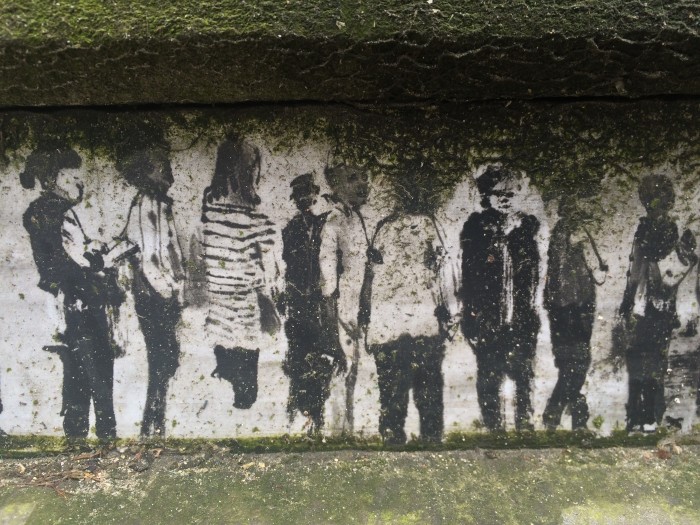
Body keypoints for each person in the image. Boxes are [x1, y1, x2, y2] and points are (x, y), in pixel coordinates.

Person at [21, 146, 124, 440]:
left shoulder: (42, 212)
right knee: (98, 367)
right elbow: (74, 259)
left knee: (77, 369)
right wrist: (102, 261)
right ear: (52, 179)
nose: (80, 182)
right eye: (72, 176)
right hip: (79, 298)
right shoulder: (57, 213)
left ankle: (76, 433)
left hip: (65, 300)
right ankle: (106, 433)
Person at [364, 198, 454, 444]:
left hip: (419, 322)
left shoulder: (426, 225)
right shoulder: (386, 228)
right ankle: (401, 436)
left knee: (424, 388)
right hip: (391, 325)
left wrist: (447, 312)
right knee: (398, 388)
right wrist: (369, 320)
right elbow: (371, 276)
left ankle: (427, 437)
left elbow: (443, 270)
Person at [201, 136, 280, 410]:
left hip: (221, 300)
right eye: (249, 167)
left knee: (230, 358)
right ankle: (242, 400)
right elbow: (260, 265)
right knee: (245, 365)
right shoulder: (252, 217)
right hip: (242, 301)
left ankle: (236, 396)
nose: (252, 173)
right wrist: (265, 294)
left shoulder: (210, 210)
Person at [460, 165, 540, 432]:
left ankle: (524, 423)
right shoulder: (477, 228)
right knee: (489, 371)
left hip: (520, 313)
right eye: (498, 194)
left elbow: (535, 273)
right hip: (489, 314)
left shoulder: (526, 229)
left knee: (523, 370)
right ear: (487, 196)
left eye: (510, 194)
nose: (505, 199)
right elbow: (469, 274)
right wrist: (470, 313)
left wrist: (532, 308)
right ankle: (493, 425)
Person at [618, 174, 697, 432]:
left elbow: (655, 270)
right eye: (650, 199)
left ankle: (649, 416)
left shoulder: (663, 229)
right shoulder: (651, 228)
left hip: (654, 304)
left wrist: (630, 300)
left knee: (650, 361)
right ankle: (641, 417)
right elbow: (638, 269)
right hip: (648, 304)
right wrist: (627, 300)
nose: (653, 204)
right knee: (644, 360)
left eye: (656, 199)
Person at [117, 148, 185, 437]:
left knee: (165, 360)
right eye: (162, 167)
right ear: (147, 172)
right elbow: (147, 256)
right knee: (161, 359)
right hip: (154, 294)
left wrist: (178, 283)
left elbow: (172, 251)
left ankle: (155, 420)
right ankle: (152, 422)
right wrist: (169, 289)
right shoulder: (146, 204)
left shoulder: (159, 205)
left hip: (163, 291)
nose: (169, 173)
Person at [280, 173, 344, 434]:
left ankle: (318, 419)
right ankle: (299, 416)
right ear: (295, 199)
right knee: (299, 361)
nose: (305, 199)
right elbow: (287, 266)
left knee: (321, 360)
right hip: (298, 305)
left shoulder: (324, 225)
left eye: (309, 193)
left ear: (315, 195)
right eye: (300, 195)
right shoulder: (290, 229)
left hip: (320, 302)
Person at [543, 195, 608, 431]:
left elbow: (595, 270)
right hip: (572, 308)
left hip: (569, 307)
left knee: (573, 364)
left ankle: (560, 413)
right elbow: (597, 271)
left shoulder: (563, 236)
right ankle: (571, 414)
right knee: (576, 363)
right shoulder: (571, 235)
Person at [318, 163, 370, 433]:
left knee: (355, 368)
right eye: (353, 179)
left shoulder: (359, 220)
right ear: (337, 185)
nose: (362, 184)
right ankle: (337, 428)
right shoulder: (334, 222)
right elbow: (327, 273)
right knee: (343, 366)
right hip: (343, 307)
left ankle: (349, 427)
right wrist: (334, 312)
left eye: (364, 178)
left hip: (360, 305)